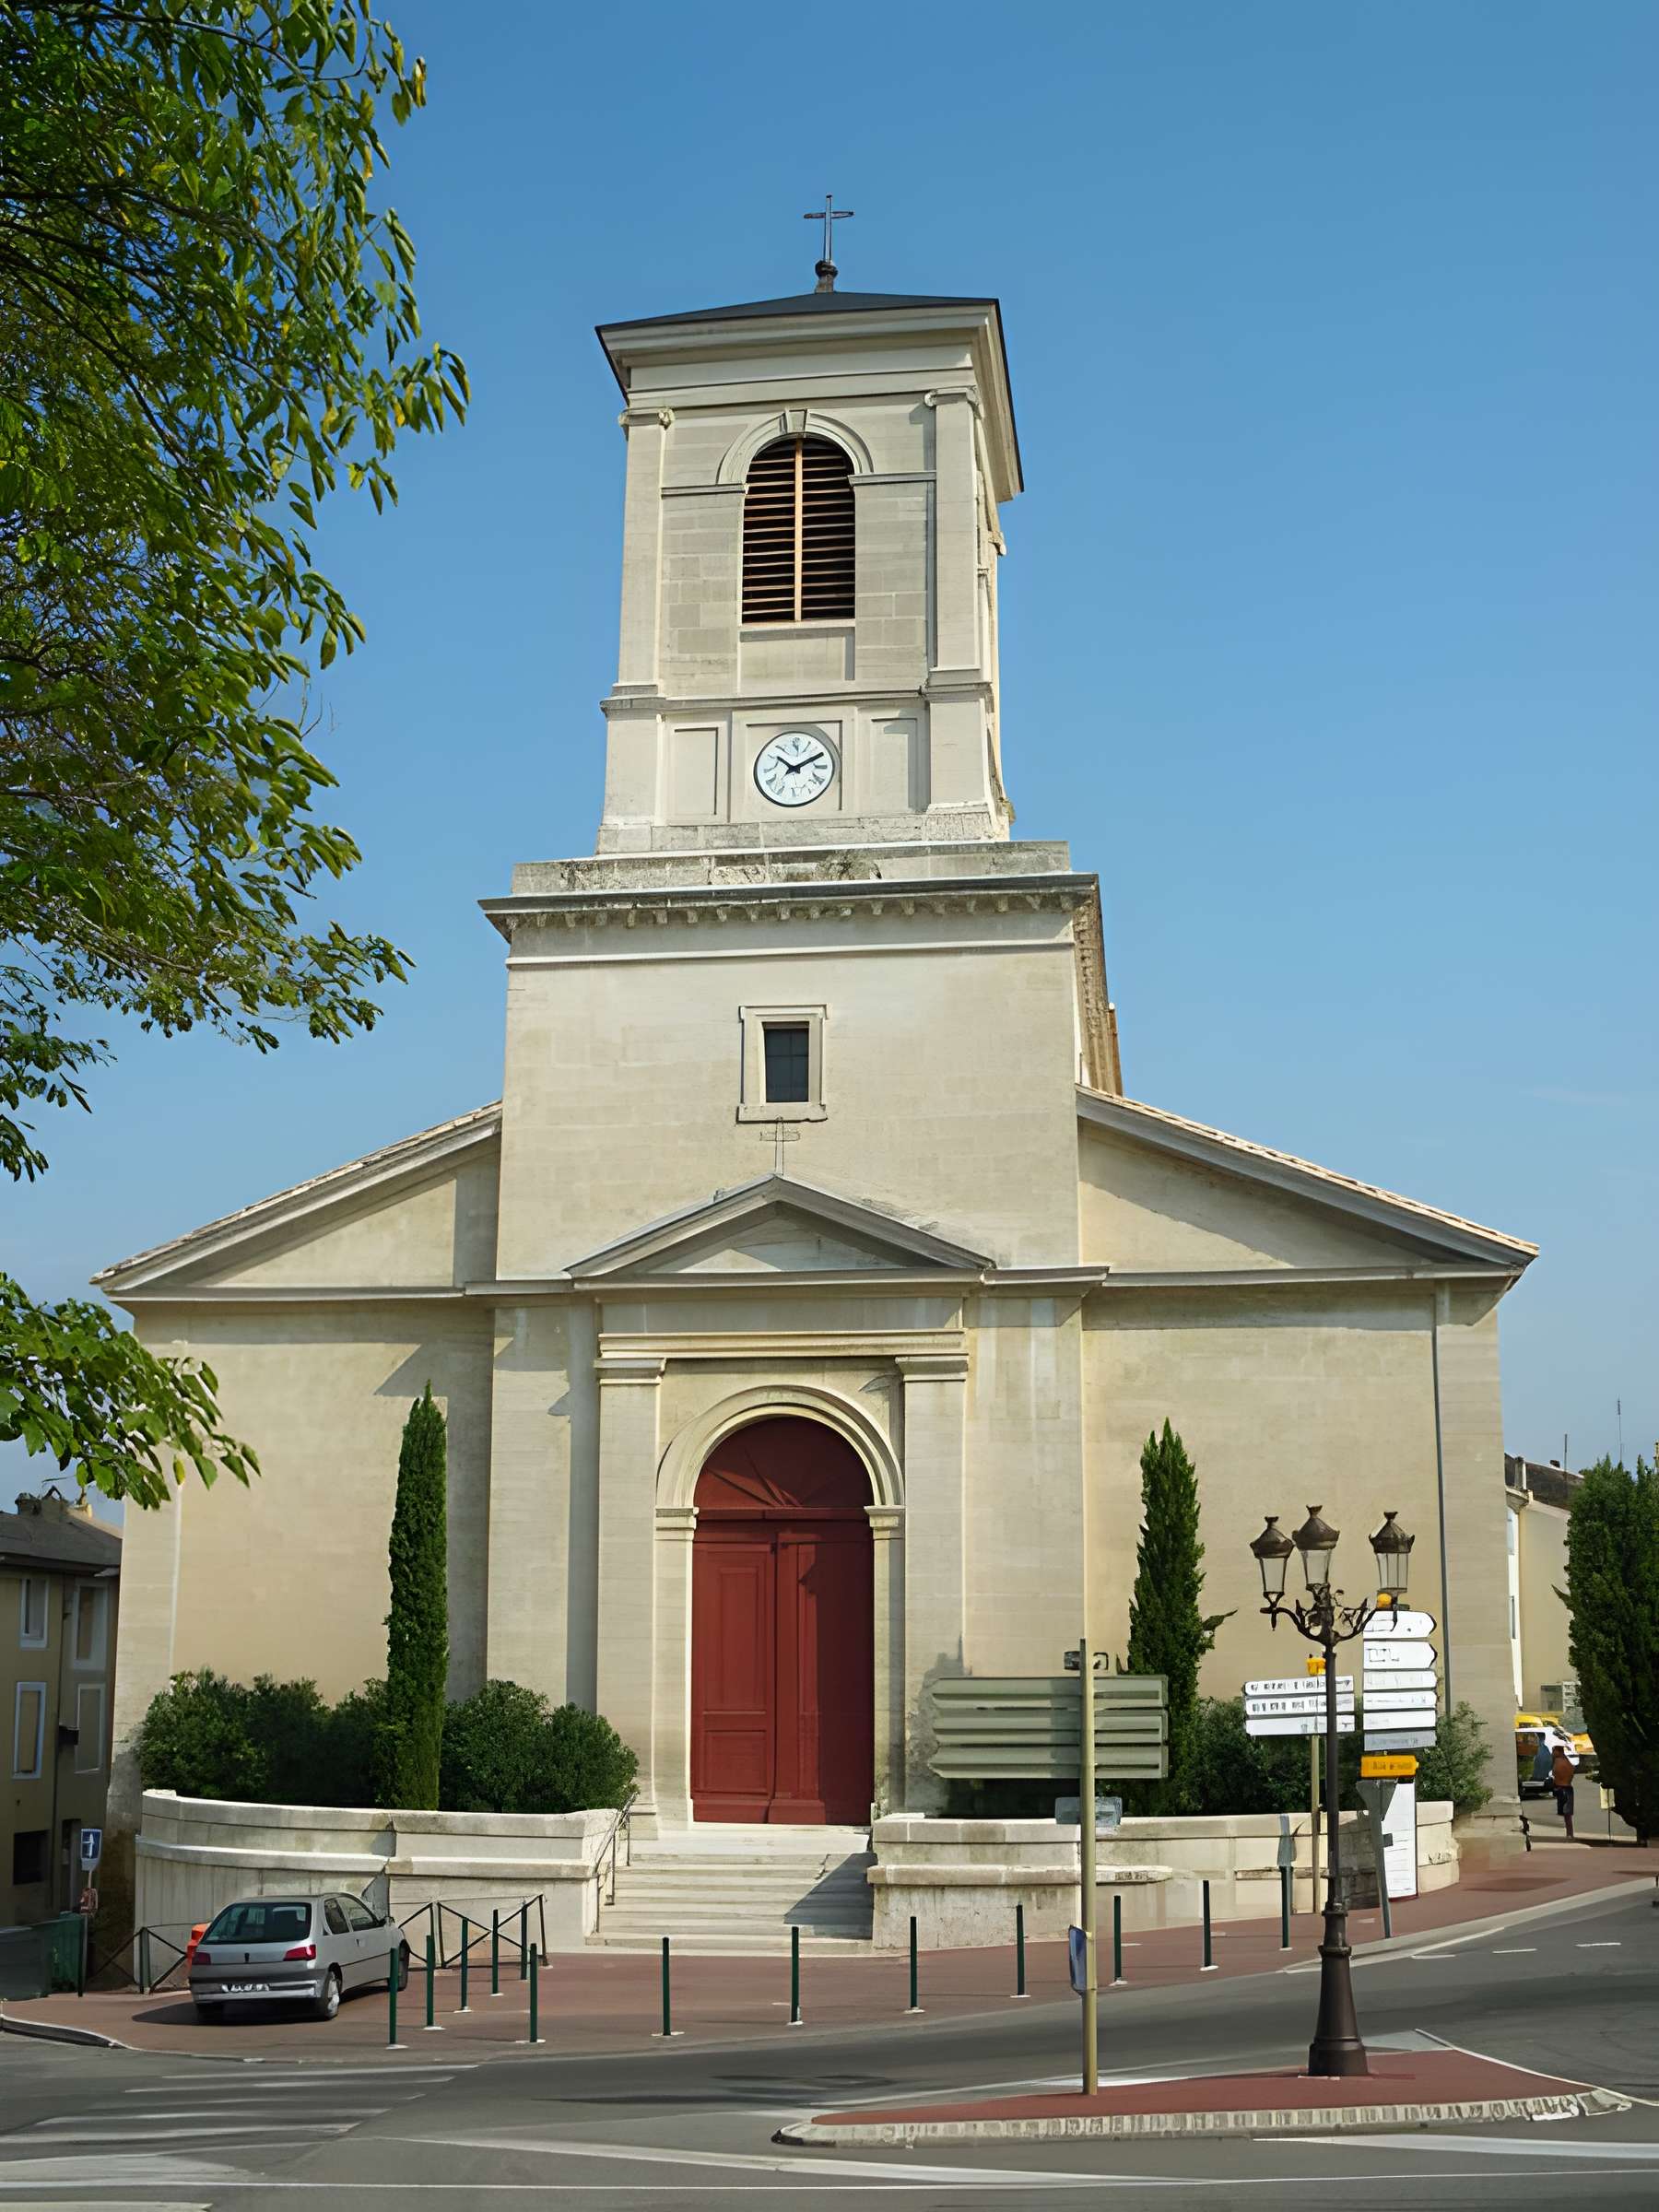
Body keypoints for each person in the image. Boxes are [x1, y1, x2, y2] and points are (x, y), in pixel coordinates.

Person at [1550, 1743, 1578, 1841]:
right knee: (1568, 1814)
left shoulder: (1558, 1761)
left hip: (1562, 1788)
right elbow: (1571, 1772)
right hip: (1568, 1787)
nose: (1552, 1753)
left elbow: (1555, 1773)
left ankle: (1569, 1834)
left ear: (1558, 1752)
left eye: (1554, 1751)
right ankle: (1570, 1833)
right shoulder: (1568, 1762)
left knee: (1566, 1814)